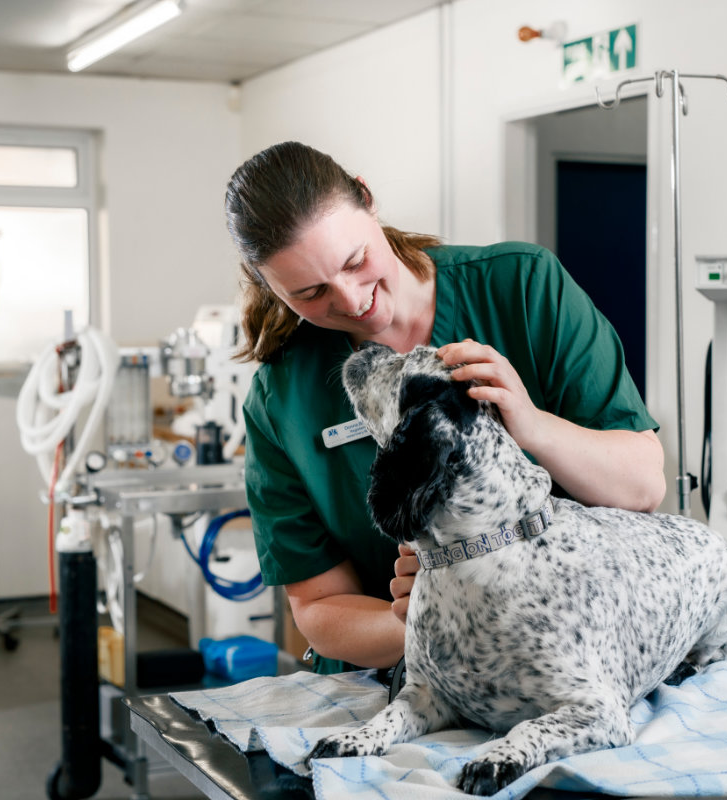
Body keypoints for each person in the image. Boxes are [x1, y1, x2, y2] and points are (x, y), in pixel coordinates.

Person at [226, 141, 665, 674]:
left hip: (570, 655)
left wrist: (533, 427)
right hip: (401, 678)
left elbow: (643, 486)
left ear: (367, 199)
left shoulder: (523, 287)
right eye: (311, 292)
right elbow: (318, 607)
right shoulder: (281, 400)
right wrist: (417, 617)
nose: (350, 300)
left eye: (356, 261)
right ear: (266, 284)